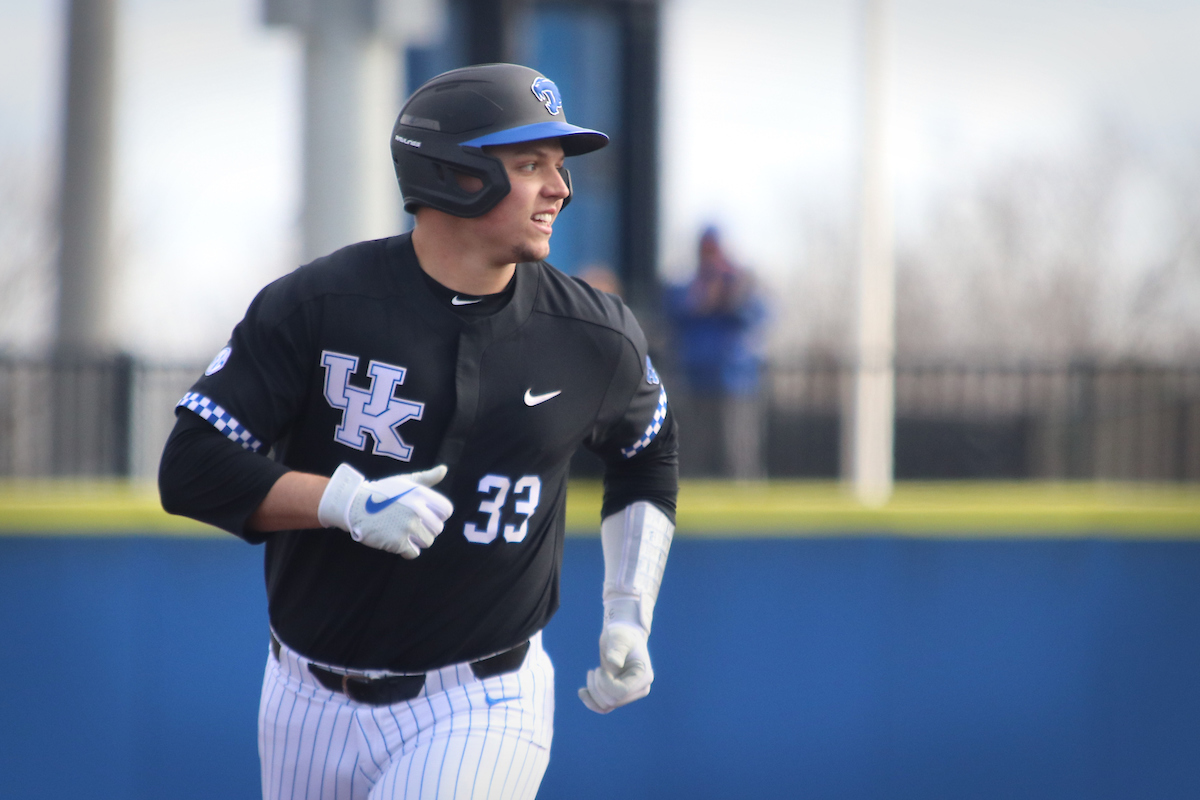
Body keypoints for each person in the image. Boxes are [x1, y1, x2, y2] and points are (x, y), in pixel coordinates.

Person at [158, 63, 678, 800]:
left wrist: (628, 611)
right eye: (531, 165)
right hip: (303, 697)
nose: (560, 189)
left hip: (484, 698)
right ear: (455, 173)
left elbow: (648, 452)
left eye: (558, 166)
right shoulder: (320, 304)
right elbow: (191, 467)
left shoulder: (594, 336)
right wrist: (342, 502)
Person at [665, 225, 766, 480]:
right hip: (695, 378)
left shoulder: (739, 284)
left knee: (738, 450)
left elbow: (760, 317)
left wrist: (732, 298)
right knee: (693, 450)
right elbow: (672, 318)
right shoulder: (688, 286)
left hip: (735, 381)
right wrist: (701, 300)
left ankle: (744, 490)